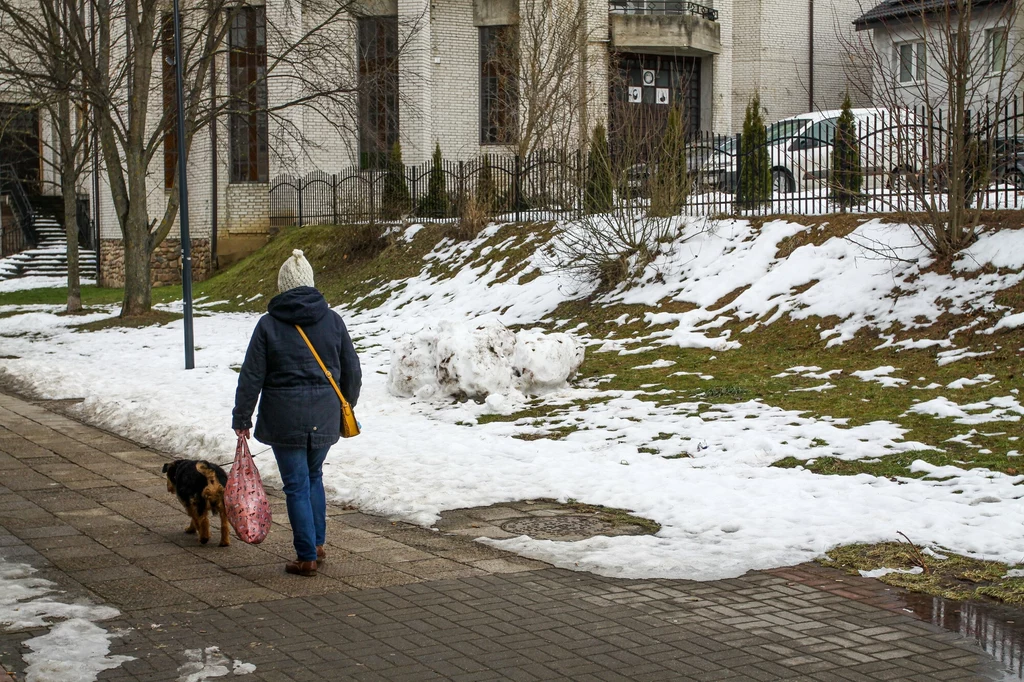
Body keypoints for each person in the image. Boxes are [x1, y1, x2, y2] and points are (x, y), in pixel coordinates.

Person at [232, 249, 361, 577]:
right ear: (310, 283)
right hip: (325, 415)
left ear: (282, 287)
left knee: (297, 485)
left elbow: (251, 375)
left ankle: (306, 557)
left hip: (283, 419)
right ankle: (316, 544)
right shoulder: (333, 321)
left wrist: (242, 417)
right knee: (314, 476)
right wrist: (347, 403)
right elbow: (352, 369)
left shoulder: (268, 325)